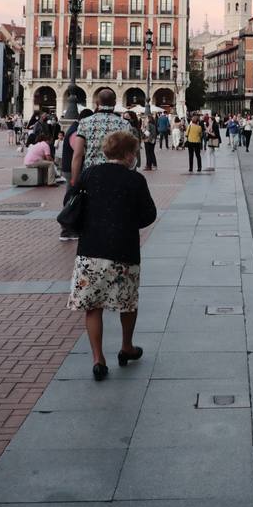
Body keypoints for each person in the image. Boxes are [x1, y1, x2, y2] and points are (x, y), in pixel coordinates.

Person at [68, 130, 158, 381]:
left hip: (90, 249)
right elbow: (149, 214)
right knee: (127, 302)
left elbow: (71, 200)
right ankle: (126, 346)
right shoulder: (135, 180)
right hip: (123, 249)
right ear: (129, 155)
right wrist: (127, 222)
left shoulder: (90, 174)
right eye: (135, 153)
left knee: (93, 306)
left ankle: (98, 358)